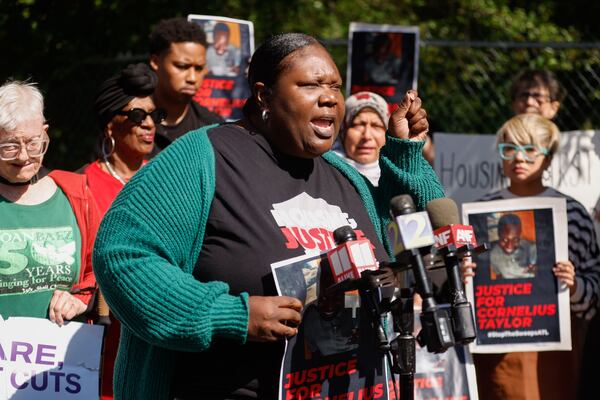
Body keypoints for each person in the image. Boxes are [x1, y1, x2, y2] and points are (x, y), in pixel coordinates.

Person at [93, 33, 444, 399]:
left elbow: (419, 233)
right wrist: (231, 315)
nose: (328, 97)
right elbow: (123, 255)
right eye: (310, 85)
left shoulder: (344, 176)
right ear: (264, 95)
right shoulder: (203, 158)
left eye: (335, 86)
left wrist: (405, 154)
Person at [462, 113, 600, 400]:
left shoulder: (571, 213)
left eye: (530, 149)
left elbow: (595, 290)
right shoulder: (480, 212)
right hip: (498, 347)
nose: (519, 158)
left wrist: (573, 285)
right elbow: (465, 290)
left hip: (555, 349)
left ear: (548, 158)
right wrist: (466, 277)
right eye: (509, 149)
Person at [81, 62, 162, 400]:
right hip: (97, 345)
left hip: (154, 337)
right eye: (136, 115)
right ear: (110, 125)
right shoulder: (79, 187)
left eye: (154, 116)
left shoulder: (167, 182)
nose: (148, 125)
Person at [0, 80, 100, 325]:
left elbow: (101, 268)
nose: (23, 156)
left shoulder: (76, 194)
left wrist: (82, 299)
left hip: (62, 358)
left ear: (45, 132)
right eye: (9, 146)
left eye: (33, 143)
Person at [148, 17, 223, 150]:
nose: (192, 78)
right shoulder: (131, 119)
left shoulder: (212, 128)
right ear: (155, 62)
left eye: (199, 68)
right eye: (182, 66)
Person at [332, 91, 390, 186]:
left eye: (376, 125)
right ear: (343, 131)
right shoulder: (324, 171)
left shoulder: (398, 179)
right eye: (358, 125)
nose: (367, 136)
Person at [489, 213, 538, 279]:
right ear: (498, 235)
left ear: (520, 235)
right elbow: (499, 276)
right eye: (504, 240)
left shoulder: (532, 248)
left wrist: (537, 269)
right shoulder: (493, 255)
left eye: (515, 239)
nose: (509, 246)